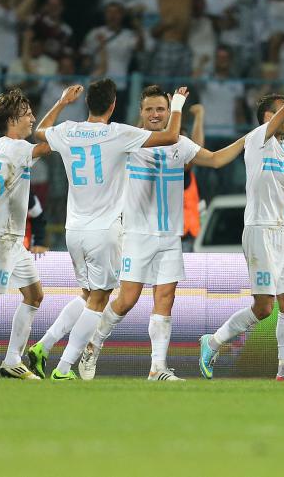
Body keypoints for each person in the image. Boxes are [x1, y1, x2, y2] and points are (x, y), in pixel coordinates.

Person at [76, 85, 247, 381]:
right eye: (149, 110)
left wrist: (249, 138)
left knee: (166, 297)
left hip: (169, 236)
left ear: (167, 112)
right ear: (140, 113)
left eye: (161, 109)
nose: (155, 114)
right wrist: (179, 105)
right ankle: (93, 345)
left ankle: (157, 368)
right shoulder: (129, 141)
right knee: (127, 299)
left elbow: (216, 159)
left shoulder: (180, 144)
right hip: (136, 234)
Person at [25, 79, 186, 381]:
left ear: (88, 103)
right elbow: (172, 135)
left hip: (74, 230)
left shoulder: (68, 130)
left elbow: (39, 131)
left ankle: (43, 346)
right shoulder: (119, 133)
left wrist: (61, 102)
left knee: (87, 296)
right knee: (99, 301)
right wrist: (176, 104)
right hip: (105, 231)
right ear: (113, 105)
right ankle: (63, 368)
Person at [197, 54, 284, 381]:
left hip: (282, 232)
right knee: (264, 308)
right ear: (268, 117)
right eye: (282, 111)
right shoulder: (258, 138)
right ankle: (213, 342)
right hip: (259, 231)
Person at [0, 87, 63, 379]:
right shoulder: (18, 148)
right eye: (28, 114)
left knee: (34, 294)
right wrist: (62, 102)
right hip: (1, 236)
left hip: (10, 237)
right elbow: (49, 140)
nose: (32, 119)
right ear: (13, 119)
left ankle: (12, 361)